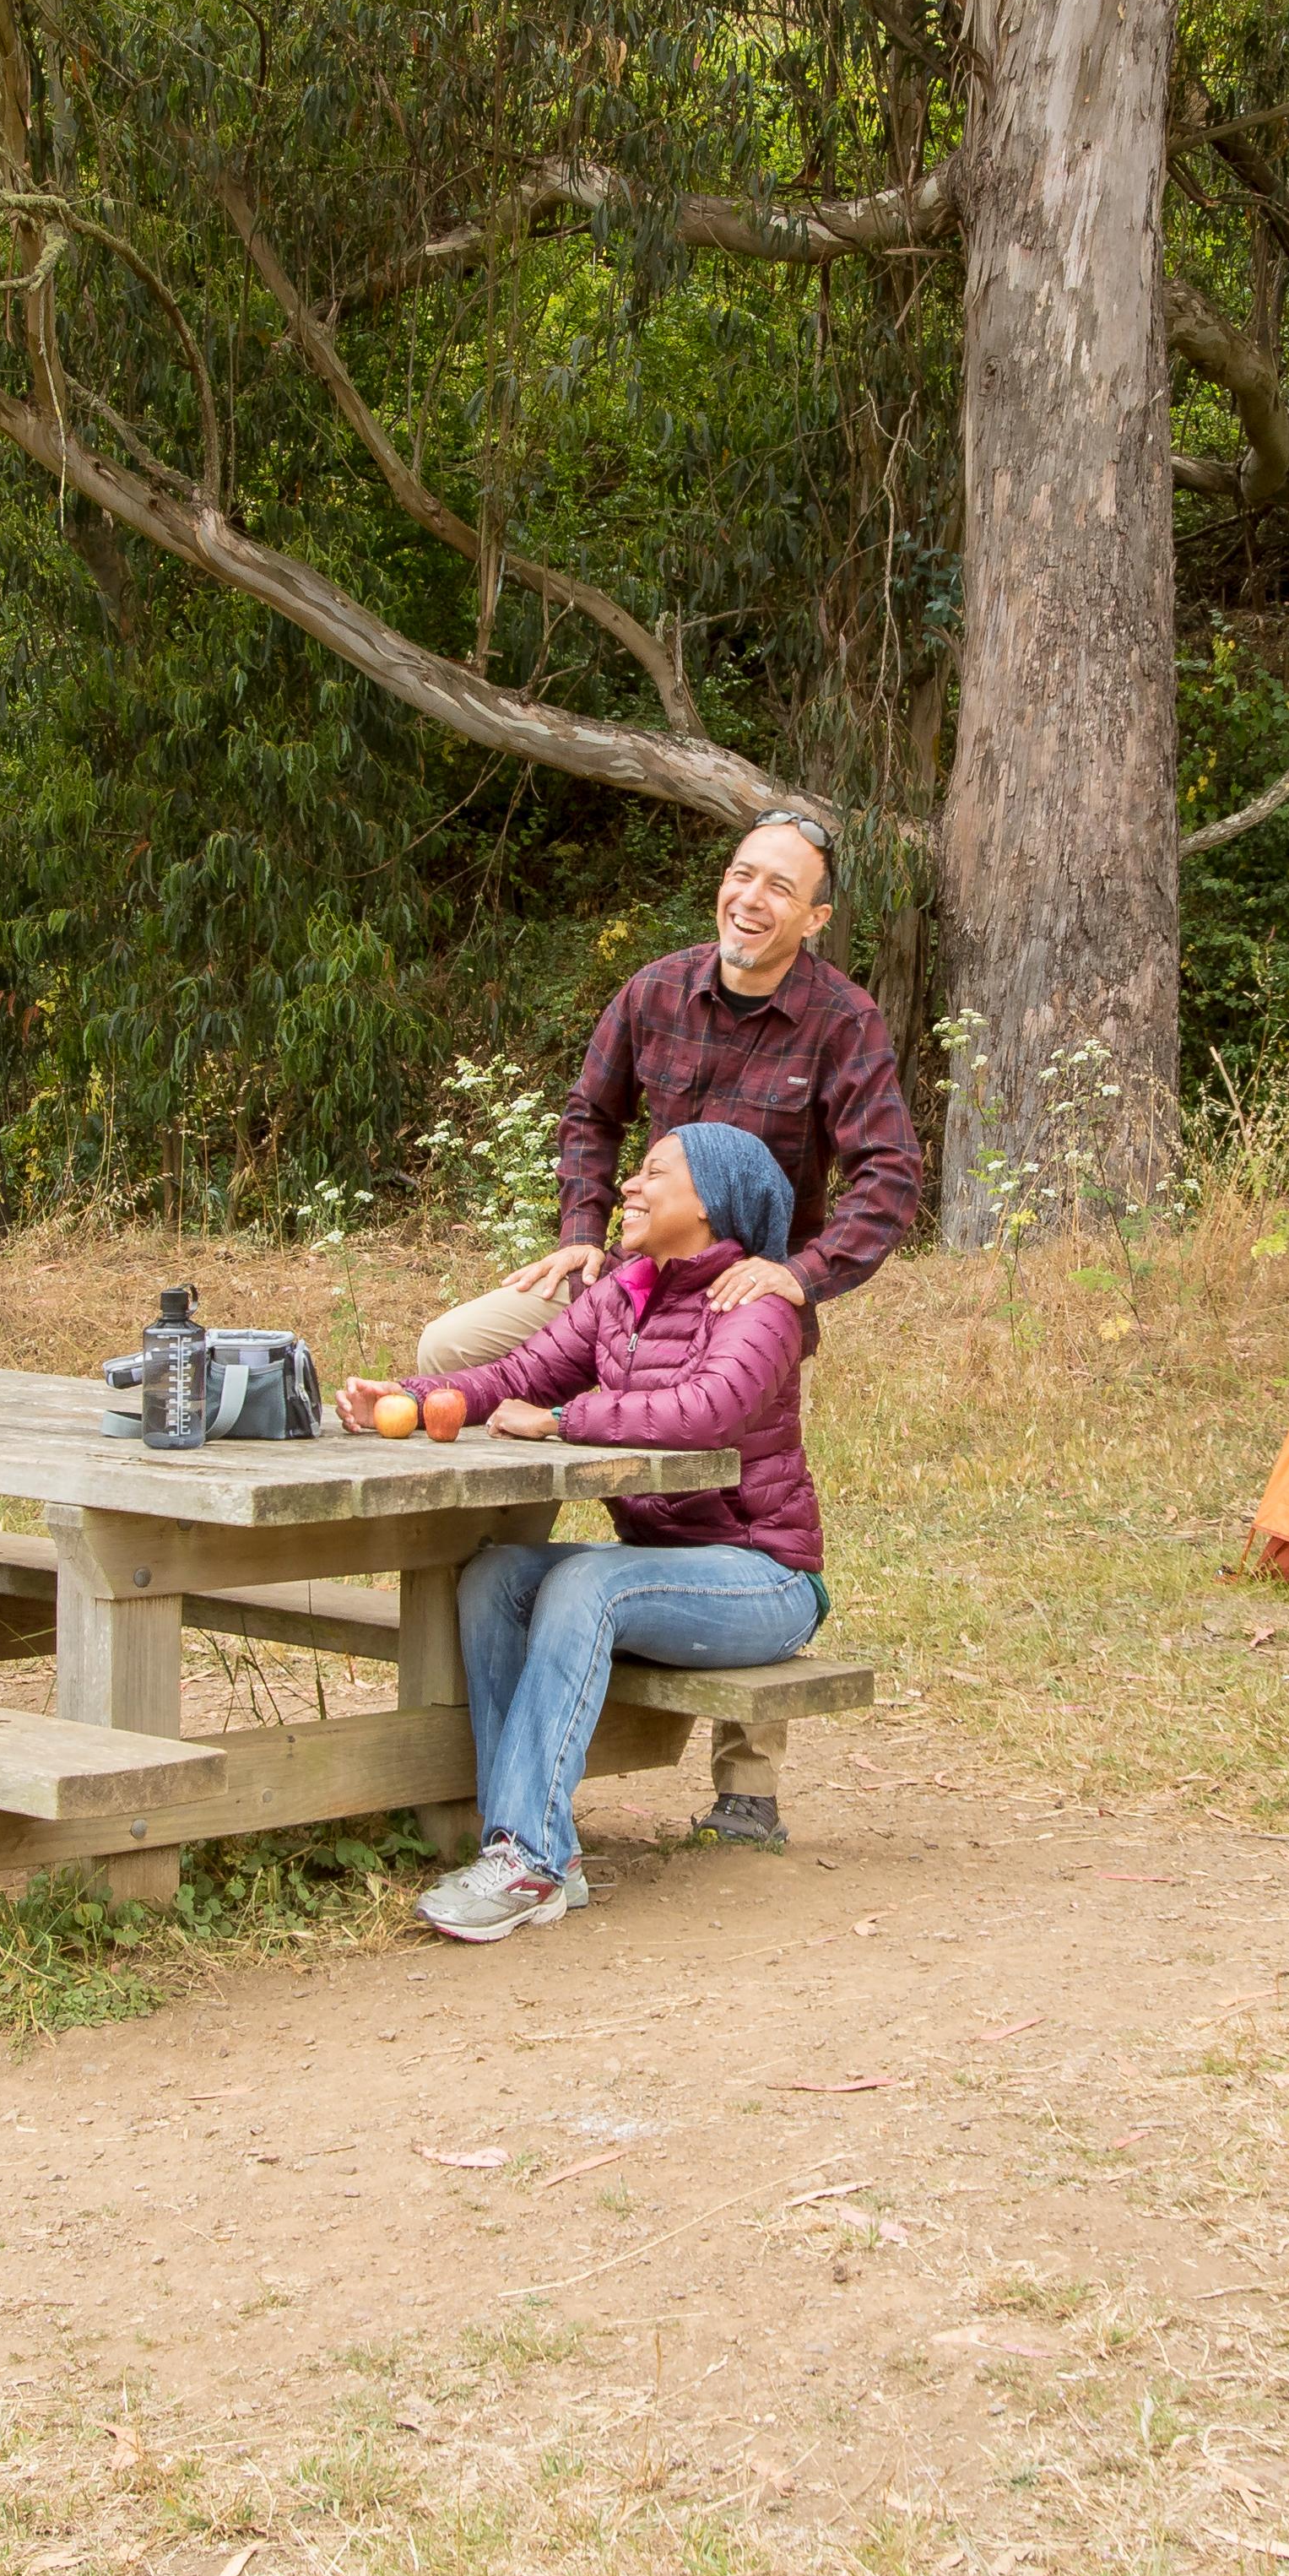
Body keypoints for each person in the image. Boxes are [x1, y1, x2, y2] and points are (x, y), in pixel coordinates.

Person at [414, 808, 921, 1849]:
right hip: (633, 1270)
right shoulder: (654, 988)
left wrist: (797, 1277)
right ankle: (506, 1598)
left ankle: (747, 1783)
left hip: (743, 1297)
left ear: (813, 917)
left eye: (781, 887)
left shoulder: (842, 1020)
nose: (753, 897)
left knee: (738, 1478)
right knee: (453, 1350)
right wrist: (583, 1231)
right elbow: (589, 1116)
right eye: (742, 875)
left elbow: (890, 1176)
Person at [355, 1123, 826, 1943]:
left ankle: (524, 1857)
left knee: (583, 1582)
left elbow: (706, 1413)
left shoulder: (756, 1306)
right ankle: (543, 1850)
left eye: (653, 1174)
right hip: (663, 1571)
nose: (629, 1190)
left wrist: (566, 1420)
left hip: (763, 1581)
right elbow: (512, 1376)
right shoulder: (622, 1294)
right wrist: (399, 1396)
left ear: (714, 1204)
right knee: (495, 1575)